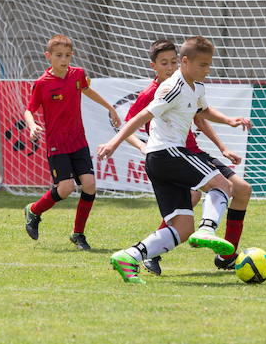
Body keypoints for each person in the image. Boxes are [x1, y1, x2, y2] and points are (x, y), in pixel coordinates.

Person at [98, 36, 235, 284]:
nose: (207, 69)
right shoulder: (172, 87)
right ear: (185, 62)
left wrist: (229, 120)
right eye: (202, 65)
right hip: (168, 153)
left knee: (182, 229)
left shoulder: (197, 87)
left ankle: (128, 257)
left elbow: (203, 111)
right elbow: (141, 116)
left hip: (161, 161)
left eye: (209, 64)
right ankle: (208, 229)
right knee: (224, 185)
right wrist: (114, 142)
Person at [122, 39, 253, 276]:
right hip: (172, 154)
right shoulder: (156, 92)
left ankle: (227, 256)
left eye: (173, 61)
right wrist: (143, 148)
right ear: (154, 66)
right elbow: (132, 121)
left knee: (242, 189)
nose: (170, 67)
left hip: (193, 153)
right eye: (165, 63)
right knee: (194, 198)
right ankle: (155, 252)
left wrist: (222, 146)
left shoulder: (191, 85)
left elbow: (200, 117)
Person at [22, 34, 122, 250]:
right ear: (48, 56)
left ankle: (78, 234)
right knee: (66, 188)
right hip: (57, 144)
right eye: (59, 55)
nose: (64, 59)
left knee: (89, 185)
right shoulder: (42, 84)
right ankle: (34, 210)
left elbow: (87, 90)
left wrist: (110, 107)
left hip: (78, 141)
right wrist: (32, 126)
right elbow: (29, 109)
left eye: (67, 55)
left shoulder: (78, 75)